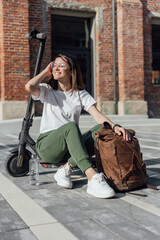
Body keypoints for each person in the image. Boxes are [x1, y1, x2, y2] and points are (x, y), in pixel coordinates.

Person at [25, 53, 131, 199]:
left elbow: (98, 116)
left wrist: (114, 126)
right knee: (71, 127)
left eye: (61, 65)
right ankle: (92, 178)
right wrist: (45, 71)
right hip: (47, 145)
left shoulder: (81, 94)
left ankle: (65, 169)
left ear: (71, 71)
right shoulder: (47, 90)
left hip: (69, 146)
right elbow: (29, 86)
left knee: (103, 129)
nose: (56, 68)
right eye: (54, 65)